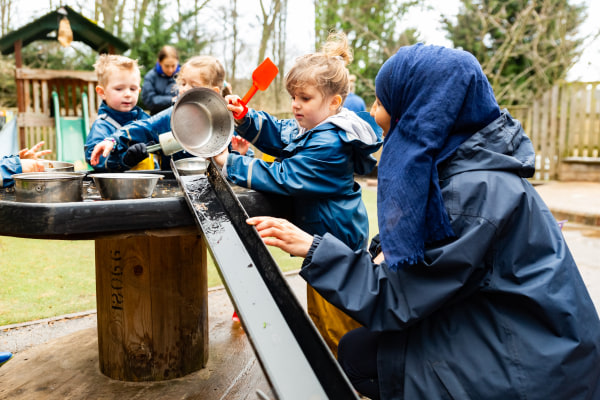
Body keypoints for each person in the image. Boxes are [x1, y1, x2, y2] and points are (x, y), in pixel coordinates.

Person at [246, 43, 600, 399]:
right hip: (526, 334)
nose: (374, 113)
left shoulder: (471, 193)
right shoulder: (466, 167)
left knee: (356, 355)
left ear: (422, 111)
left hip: (535, 370)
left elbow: (397, 300)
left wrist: (313, 249)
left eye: (383, 102)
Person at [214, 32, 383, 356]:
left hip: (335, 241)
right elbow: (280, 133)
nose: (295, 105)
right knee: (320, 312)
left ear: (333, 102)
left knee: (337, 319)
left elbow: (285, 175)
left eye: (304, 98)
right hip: (322, 239)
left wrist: (229, 161)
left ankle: (347, 377)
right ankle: (333, 366)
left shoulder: (330, 143)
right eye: (293, 97)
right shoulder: (313, 127)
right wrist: (245, 119)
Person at [89, 55, 249, 170]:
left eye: (193, 85)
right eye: (183, 83)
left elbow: (240, 162)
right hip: (174, 185)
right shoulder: (173, 115)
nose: (185, 89)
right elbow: (144, 127)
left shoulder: (223, 122)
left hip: (212, 188)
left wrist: (239, 153)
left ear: (213, 92)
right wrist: (114, 140)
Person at [84, 54, 151, 172]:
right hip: (119, 185)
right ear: (102, 92)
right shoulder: (102, 126)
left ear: (139, 91)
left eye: (133, 89)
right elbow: (95, 157)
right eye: (119, 89)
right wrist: (124, 160)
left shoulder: (145, 120)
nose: (128, 94)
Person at [142, 45, 180, 115]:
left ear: (177, 62)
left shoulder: (183, 75)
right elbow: (149, 100)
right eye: (167, 66)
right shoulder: (150, 77)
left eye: (173, 65)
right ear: (159, 62)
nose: (170, 70)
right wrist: (171, 100)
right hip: (157, 118)